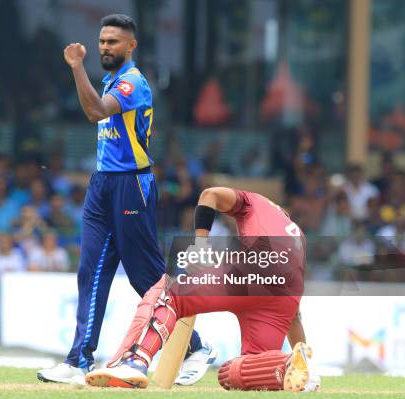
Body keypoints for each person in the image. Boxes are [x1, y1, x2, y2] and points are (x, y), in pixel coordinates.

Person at [37, 14, 209, 385]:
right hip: (102, 186)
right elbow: (94, 110)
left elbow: (96, 110)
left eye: (112, 42)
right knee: (90, 271)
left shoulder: (133, 83)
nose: (104, 47)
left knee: (145, 276)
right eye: (101, 41)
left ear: (131, 46)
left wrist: (76, 66)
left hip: (132, 185)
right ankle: (79, 359)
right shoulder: (111, 81)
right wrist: (83, 71)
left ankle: (194, 346)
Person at [85, 187, 320, 392]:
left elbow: (210, 195)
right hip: (285, 297)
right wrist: (306, 358)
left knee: (171, 294)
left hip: (258, 268)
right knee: (236, 372)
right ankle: (288, 365)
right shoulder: (297, 233)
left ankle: (134, 361)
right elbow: (294, 316)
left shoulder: (253, 200)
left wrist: (201, 245)